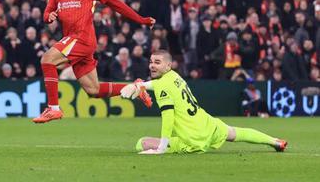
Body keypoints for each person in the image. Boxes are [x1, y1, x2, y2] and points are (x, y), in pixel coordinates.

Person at [33, 0, 155, 123]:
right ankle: (137, 88)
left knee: (47, 59)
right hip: (72, 40)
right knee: (93, 90)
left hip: (82, 38)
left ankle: (53, 108)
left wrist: (141, 20)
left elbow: (116, 4)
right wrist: (49, 16)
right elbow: (47, 13)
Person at [121, 50, 286, 154]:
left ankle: (166, 146)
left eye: (157, 62)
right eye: (151, 62)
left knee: (141, 143)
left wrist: (161, 148)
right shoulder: (174, 75)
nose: (152, 66)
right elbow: (155, 84)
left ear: (168, 65)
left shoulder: (162, 86)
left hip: (192, 140)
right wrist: (140, 85)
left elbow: (168, 117)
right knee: (236, 133)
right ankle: (275, 141)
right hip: (208, 124)